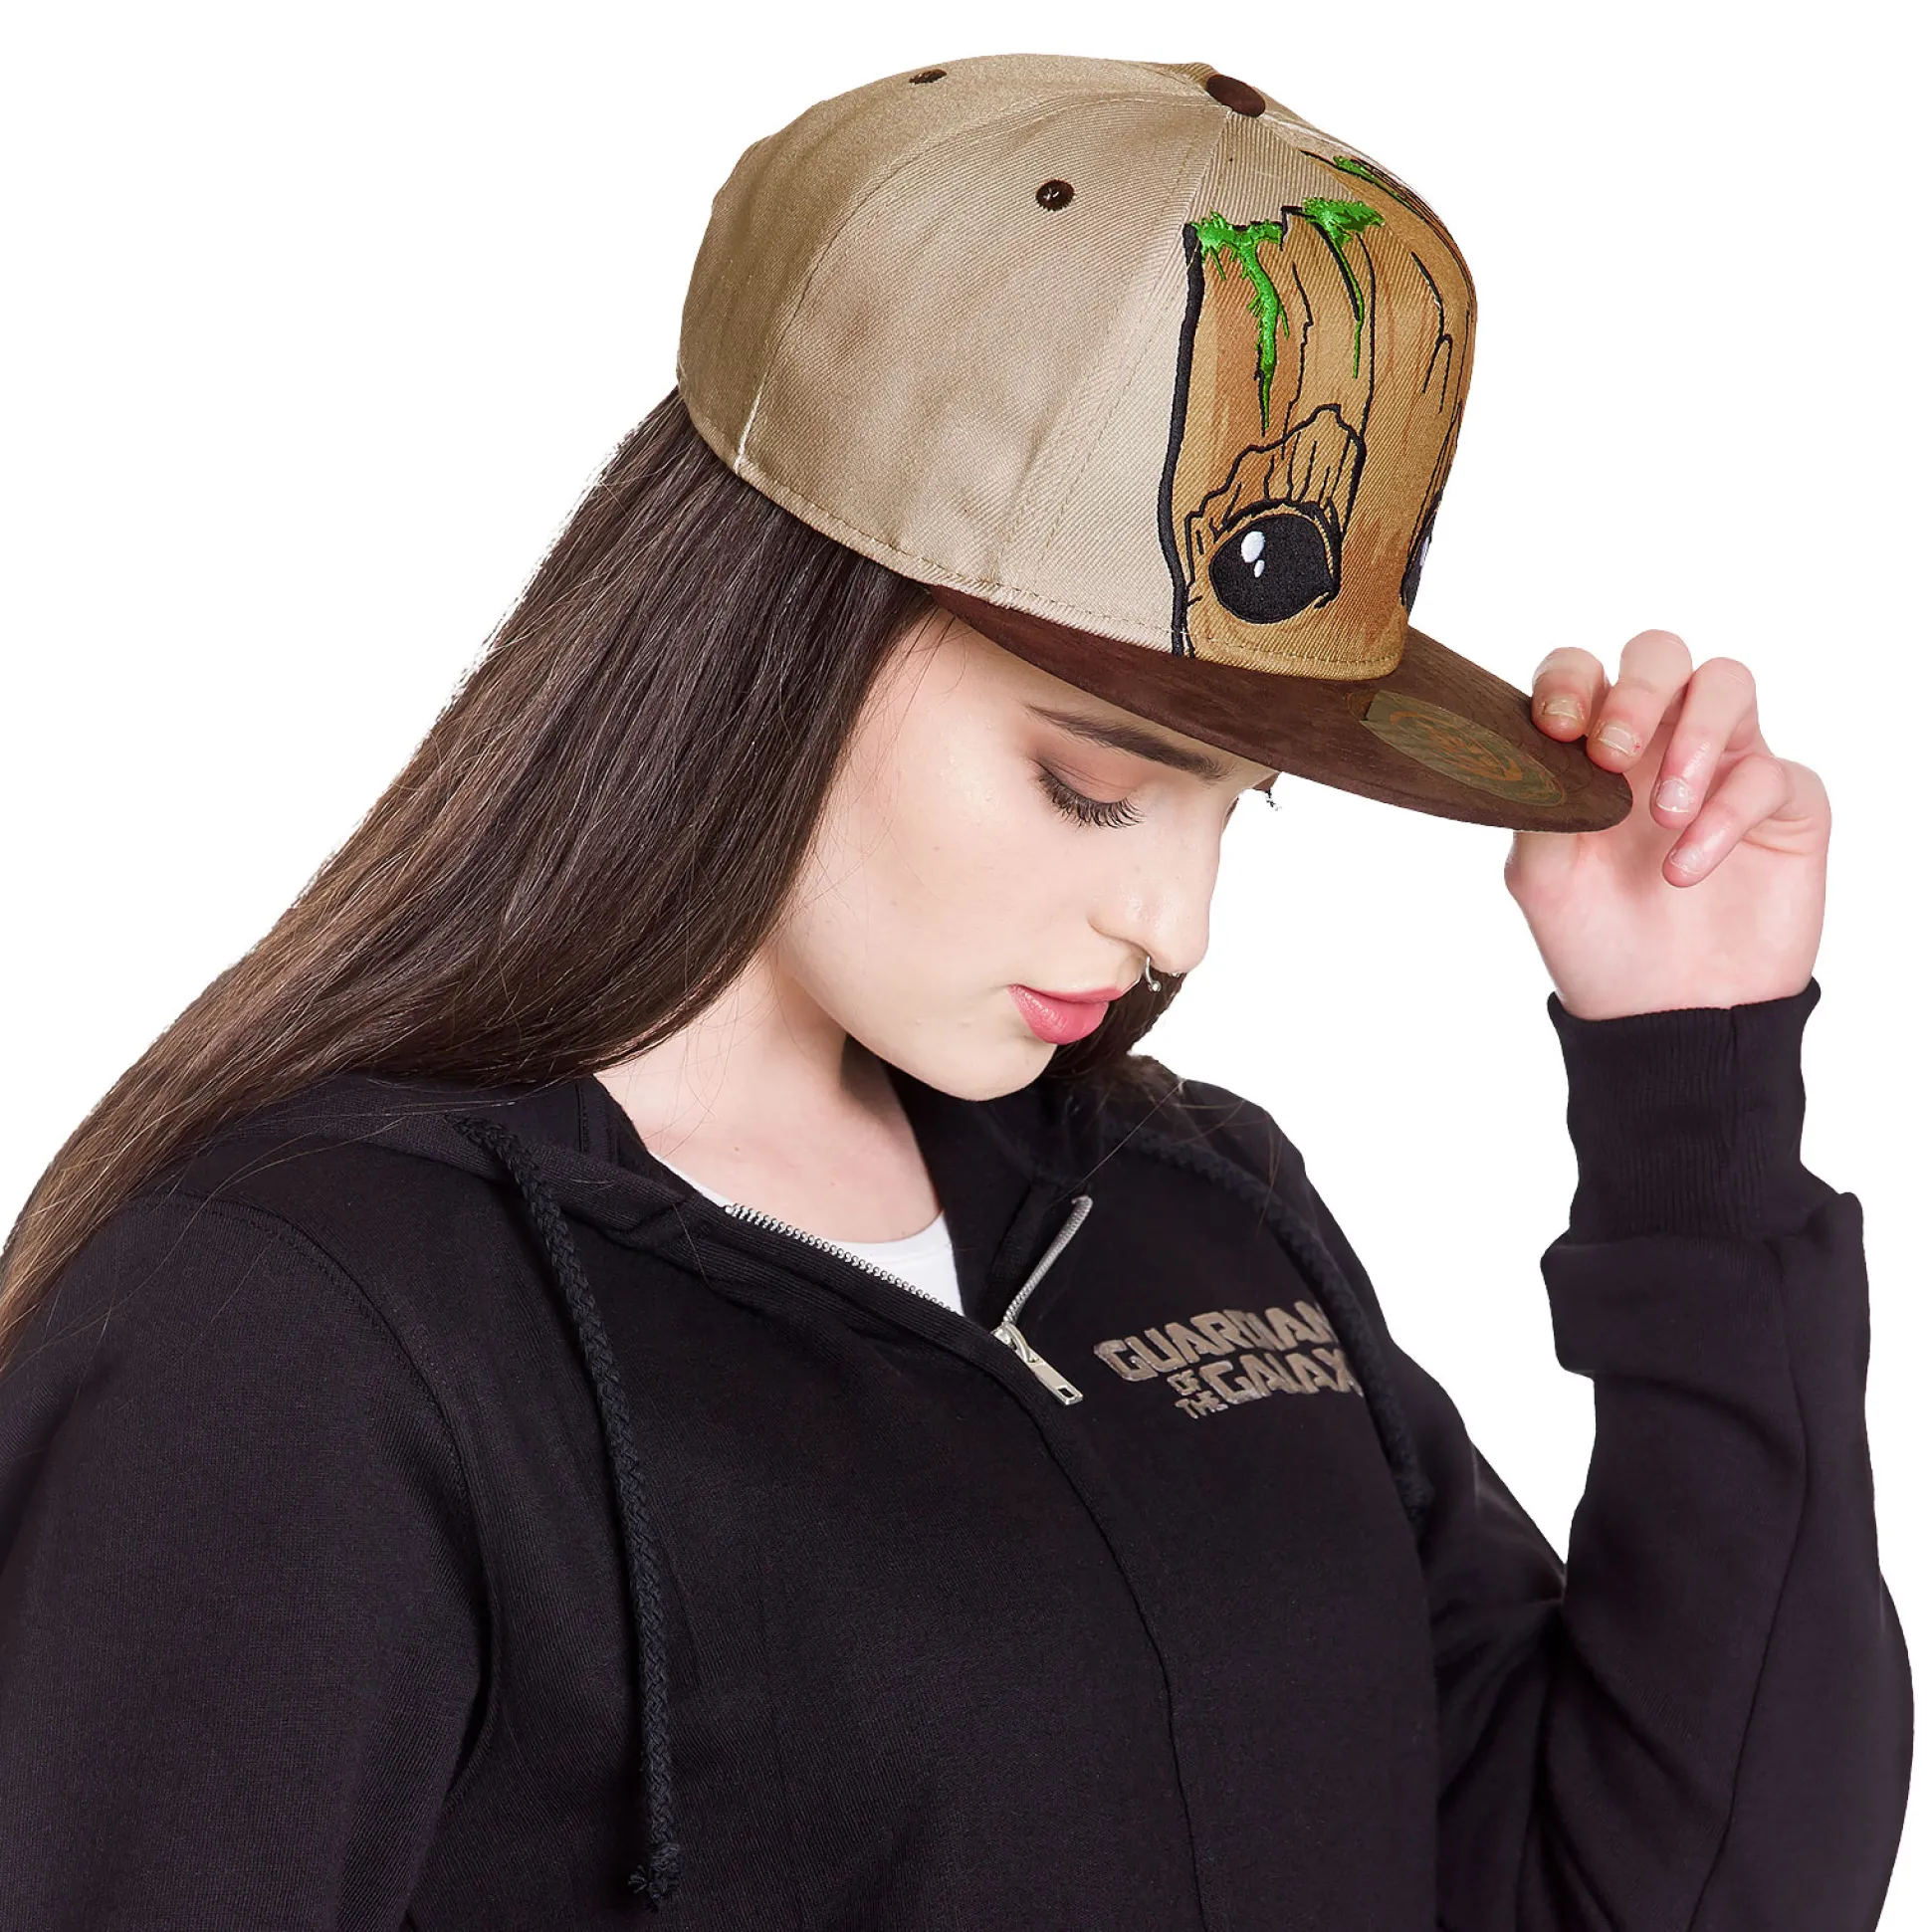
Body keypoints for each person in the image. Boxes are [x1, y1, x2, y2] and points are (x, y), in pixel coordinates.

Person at [0, 50, 1909, 1932]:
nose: (1177, 926)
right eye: (1092, 783)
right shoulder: (303, 1320)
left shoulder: (1190, 1219)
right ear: (775, 640)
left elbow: (1692, 1892)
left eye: (1238, 807)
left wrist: (1693, 1083)